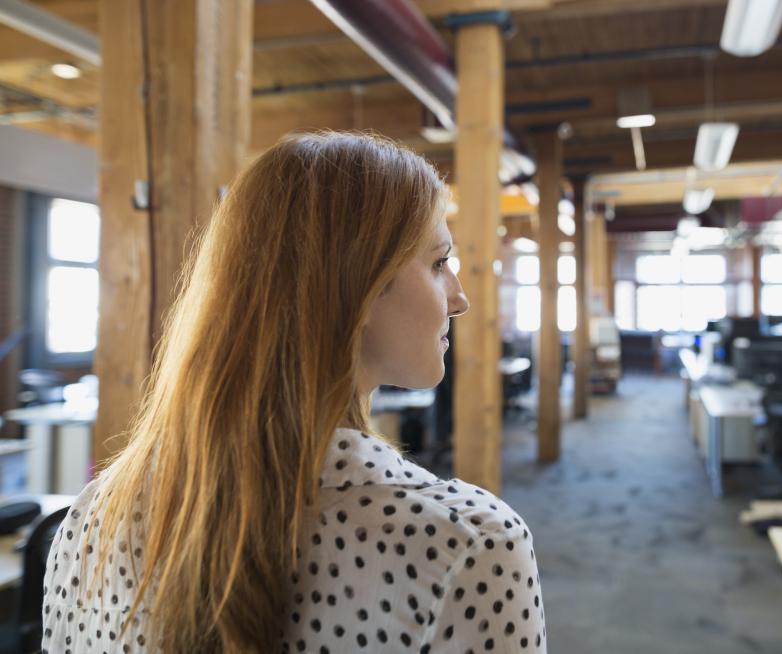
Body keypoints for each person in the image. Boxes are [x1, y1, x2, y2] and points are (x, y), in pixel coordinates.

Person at [42, 132, 547, 653]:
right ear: (358, 284)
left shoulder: (92, 517)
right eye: (439, 264)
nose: (459, 298)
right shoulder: (467, 547)